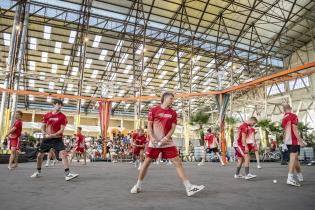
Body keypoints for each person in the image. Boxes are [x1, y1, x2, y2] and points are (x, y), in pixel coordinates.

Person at [130, 92, 204, 196]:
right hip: (154, 141)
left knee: (178, 162)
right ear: (164, 98)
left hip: (167, 141)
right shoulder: (154, 110)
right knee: (146, 163)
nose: (172, 100)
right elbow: (149, 126)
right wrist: (152, 138)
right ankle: (137, 185)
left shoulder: (173, 113)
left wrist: (166, 138)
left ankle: (189, 187)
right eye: (171, 98)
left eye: (173, 99)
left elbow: (173, 128)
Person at [30, 99, 78, 181]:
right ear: (54, 104)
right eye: (58, 104)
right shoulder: (47, 115)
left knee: (63, 154)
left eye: (61, 105)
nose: (60, 106)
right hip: (47, 140)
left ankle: (68, 174)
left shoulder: (62, 116)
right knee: (39, 156)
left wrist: (53, 135)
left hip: (57, 139)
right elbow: (42, 126)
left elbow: (61, 130)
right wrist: (44, 133)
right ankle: (38, 171)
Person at [281, 104, 305, 187]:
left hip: (287, 142)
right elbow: (295, 129)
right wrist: (301, 141)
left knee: (295, 159)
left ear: (284, 110)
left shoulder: (283, 118)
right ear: (290, 108)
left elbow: (285, 131)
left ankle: (299, 174)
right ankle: (290, 178)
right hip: (294, 141)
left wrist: (284, 140)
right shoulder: (293, 116)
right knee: (292, 159)